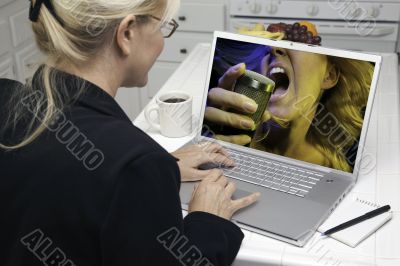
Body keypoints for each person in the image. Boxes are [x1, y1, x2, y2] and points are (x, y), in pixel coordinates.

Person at [0, 1, 260, 265]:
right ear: (126, 34)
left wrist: (150, 172)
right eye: (162, 28)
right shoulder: (135, 163)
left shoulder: (6, 97)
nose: (162, 42)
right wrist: (208, 221)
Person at [205, 39, 374, 172]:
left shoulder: (336, 170)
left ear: (328, 76)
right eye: (268, 46)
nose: (273, 49)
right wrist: (205, 138)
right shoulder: (229, 139)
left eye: (299, 44)